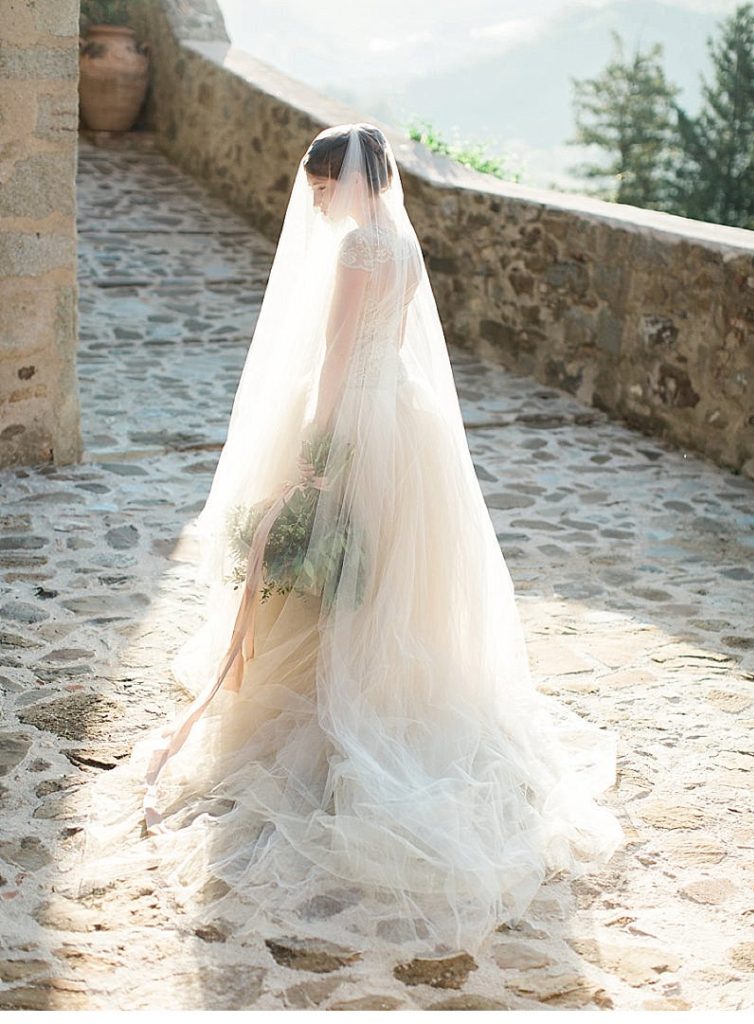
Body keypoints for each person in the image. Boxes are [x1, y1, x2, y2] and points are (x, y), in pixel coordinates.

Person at [62, 122, 625, 958]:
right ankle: (379, 680)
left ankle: (327, 701)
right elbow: (390, 345)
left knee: (328, 561)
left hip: (351, 422)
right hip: (403, 416)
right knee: (387, 570)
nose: (317, 200)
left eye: (322, 186)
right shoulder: (400, 240)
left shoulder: (357, 247)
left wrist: (315, 455)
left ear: (346, 183)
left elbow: (333, 355)